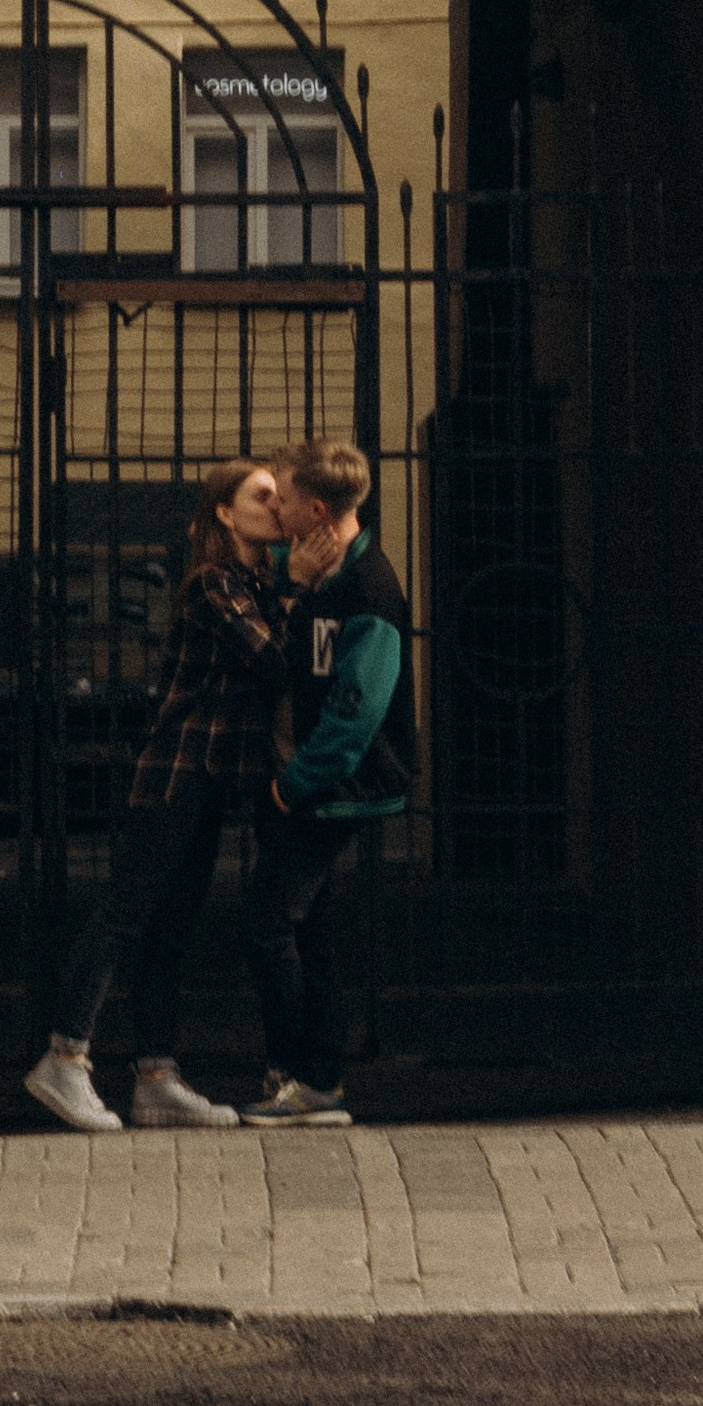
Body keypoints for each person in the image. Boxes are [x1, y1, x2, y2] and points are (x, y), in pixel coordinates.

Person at [23, 459, 317, 1134]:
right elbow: (277, 662)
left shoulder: (251, 584)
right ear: (224, 512)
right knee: (124, 914)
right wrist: (298, 587)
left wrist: (287, 587)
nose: (278, 507)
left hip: (209, 783)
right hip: (175, 778)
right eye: (262, 496)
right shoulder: (212, 585)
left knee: (170, 930)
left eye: (279, 496)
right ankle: (64, 1056)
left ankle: (156, 1078)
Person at [242, 435, 415, 1128]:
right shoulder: (316, 575)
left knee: (268, 924)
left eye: (281, 498)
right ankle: (319, 1078)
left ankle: (304, 1078)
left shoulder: (369, 587)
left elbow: (356, 709)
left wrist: (295, 785)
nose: (274, 508)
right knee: (308, 931)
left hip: (334, 787)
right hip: (313, 783)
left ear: (316, 510)